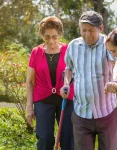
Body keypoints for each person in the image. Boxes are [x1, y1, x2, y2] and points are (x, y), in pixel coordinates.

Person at [60, 10, 117, 150]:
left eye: (91, 30)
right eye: (83, 30)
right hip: (82, 113)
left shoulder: (108, 44)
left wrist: (115, 80)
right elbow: (69, 68)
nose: (87, 34)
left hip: (107, 112)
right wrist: (66, 84)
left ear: (101, 28)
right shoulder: (73, 46)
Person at [26, 16, 74, 150]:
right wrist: (29, 107)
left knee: (68, 138)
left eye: (54, 36)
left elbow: (73, 73)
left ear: (60, 34)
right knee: (45, 137)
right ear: (42, 35)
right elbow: (29, 82)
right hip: (42, 99)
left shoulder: (68, 50)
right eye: (47, 37)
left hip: (66, 99)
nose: (51, 41)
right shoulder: (36, 52)